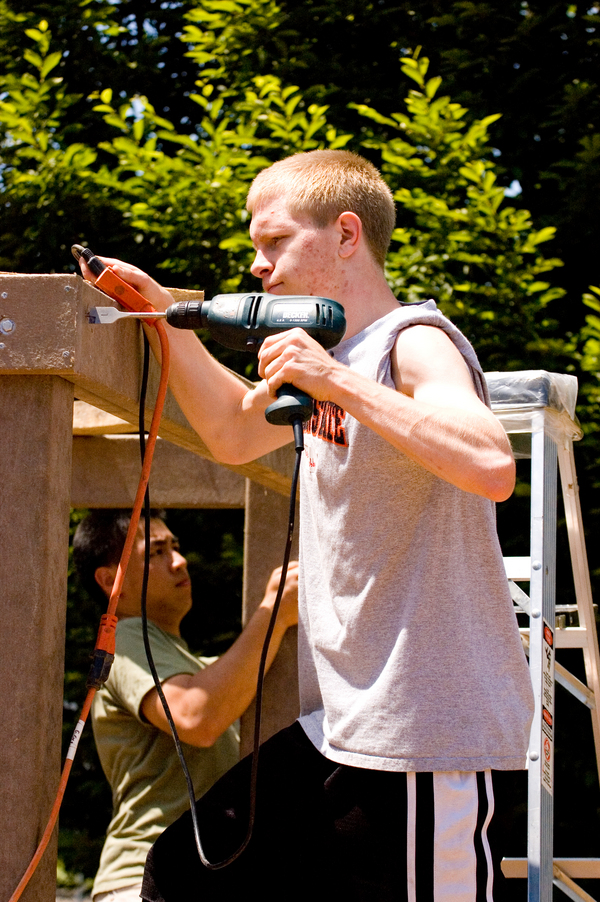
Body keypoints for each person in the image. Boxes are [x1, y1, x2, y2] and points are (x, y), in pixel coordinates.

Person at [78, 150, 534, 901]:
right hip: (341, 729)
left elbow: (490, 464)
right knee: (182, 875)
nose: (258, 266)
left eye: (275, 242)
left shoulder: (412, 340)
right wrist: (162, 316)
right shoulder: (328, 361)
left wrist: (336, 382)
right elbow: (230, 431)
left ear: (347, 234)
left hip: (424, 736)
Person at [73, 509, 298, 901]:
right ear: (111, 581)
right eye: (156, 552)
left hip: (187, 880)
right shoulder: (124, 640)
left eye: (175, 547)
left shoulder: (195, 667)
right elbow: (196, 716)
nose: (179, 560)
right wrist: (274, 614)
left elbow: (218, 690)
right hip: (145, 880)